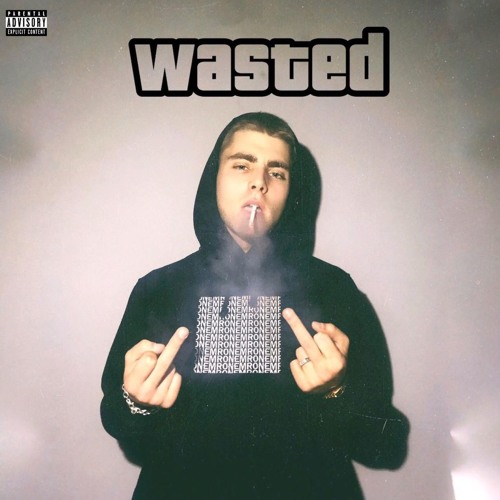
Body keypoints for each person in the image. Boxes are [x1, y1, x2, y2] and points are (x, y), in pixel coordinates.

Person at [101, 112, 409, 499]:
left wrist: (337, 391)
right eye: (242, 165)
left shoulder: (333, 289)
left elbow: (383, 443)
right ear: (213, 177)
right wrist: (135, 403)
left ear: (290, 190)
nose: (259, 182)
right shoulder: (158, 289)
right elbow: (116, 420)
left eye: (276, 172)